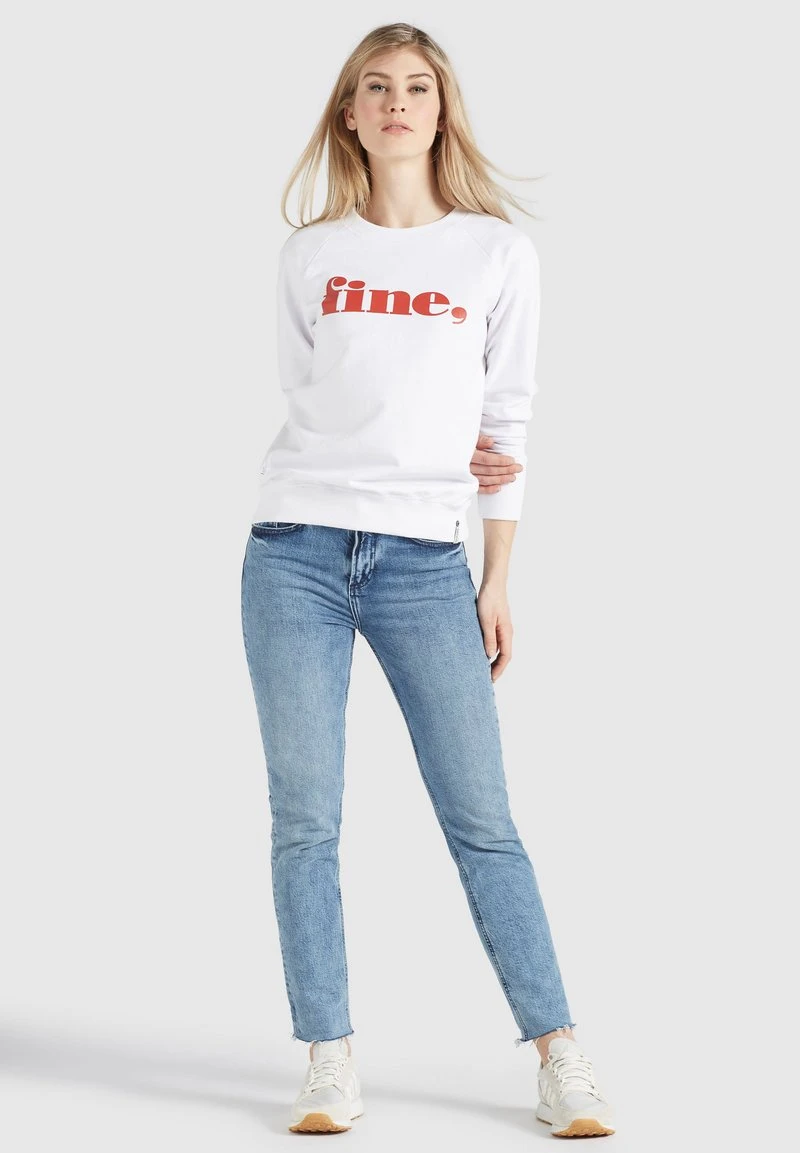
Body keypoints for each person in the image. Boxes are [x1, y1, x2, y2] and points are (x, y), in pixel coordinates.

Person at [240, 21, 615, 1139]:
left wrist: (496, 577)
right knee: (304, 818)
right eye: (375, 87)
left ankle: (559, 1052)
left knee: (482, 818)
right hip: (294, 550)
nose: (396, 102)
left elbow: (506, 423)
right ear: (349, 115)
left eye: (415, 86)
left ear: (441, 111)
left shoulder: (495, 254)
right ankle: (328, 1057)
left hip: (423, 562)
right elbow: (314, 399)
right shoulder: (310, 255)